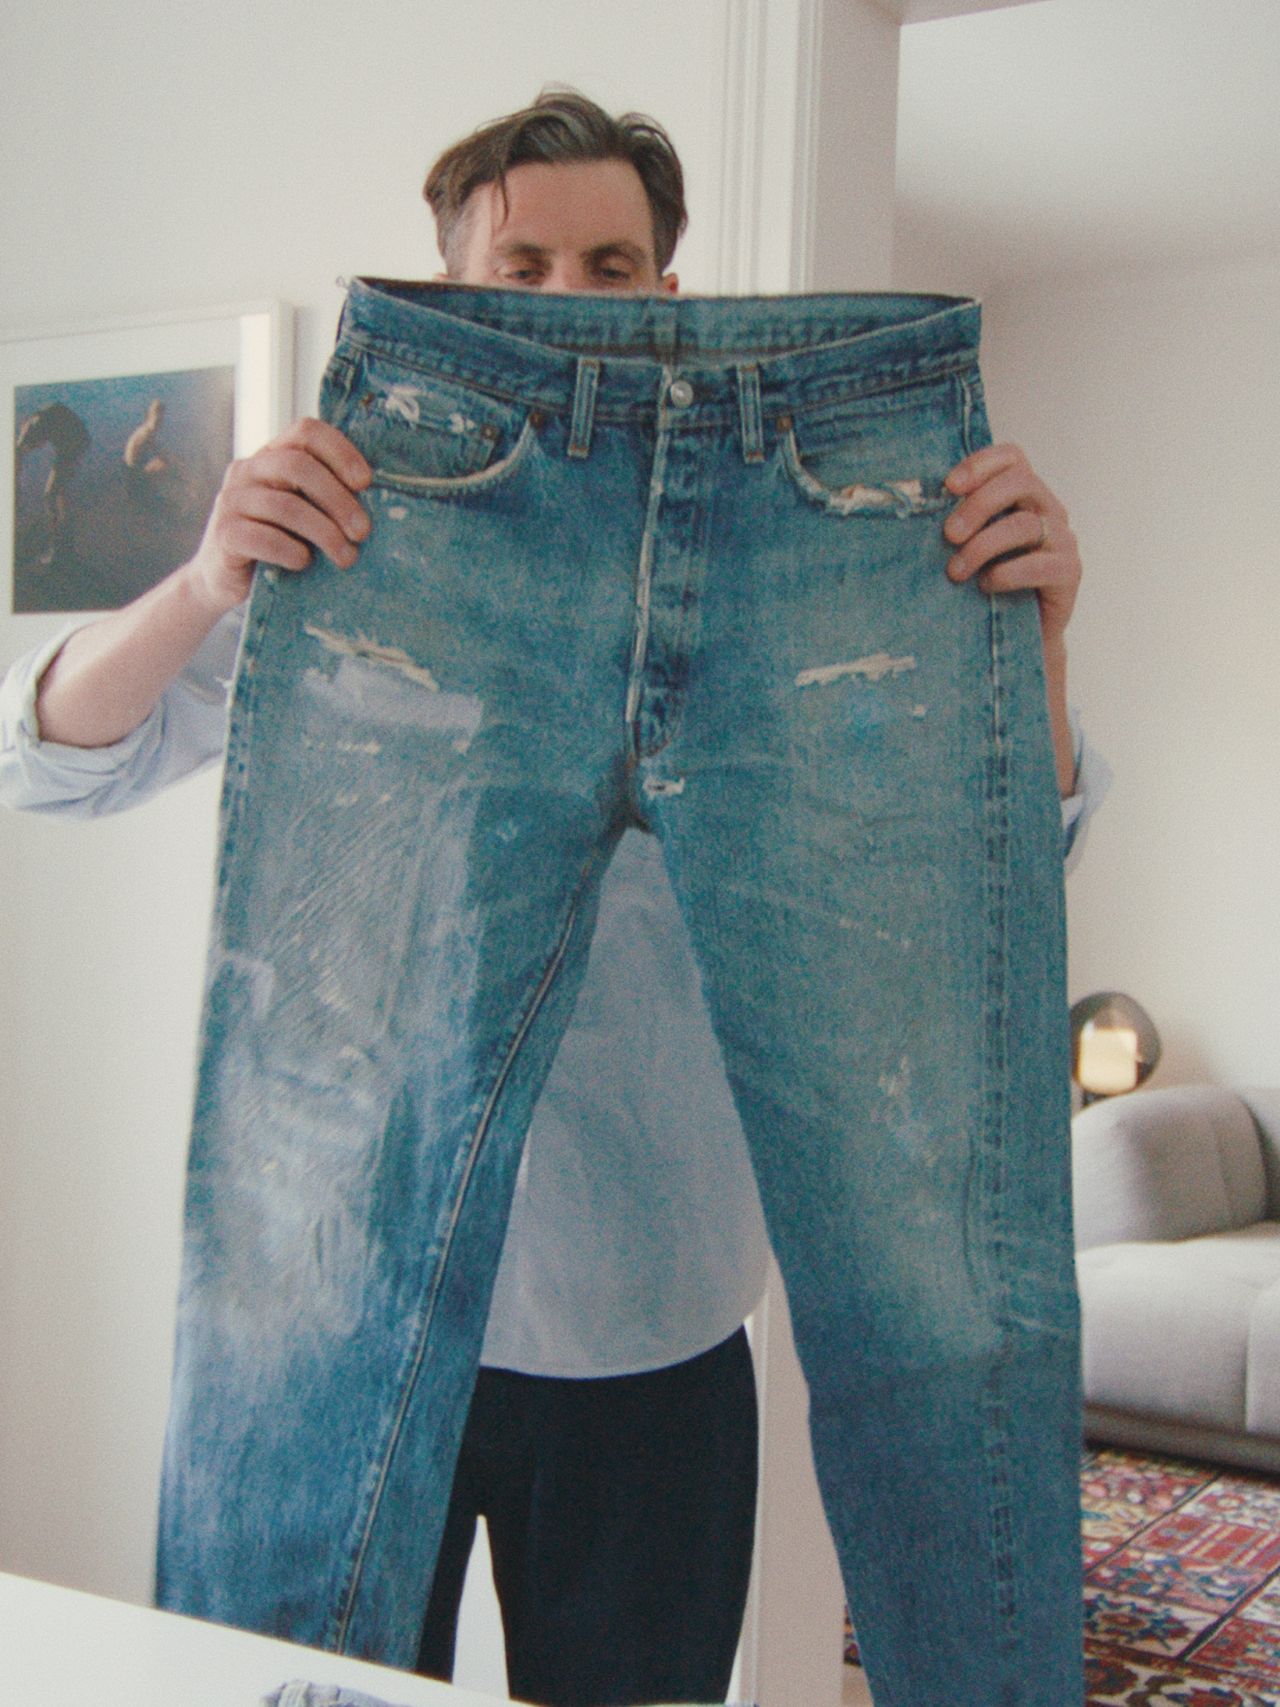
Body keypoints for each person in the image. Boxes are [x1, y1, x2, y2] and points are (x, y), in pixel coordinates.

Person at [0, 90, 1104, 1707]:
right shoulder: (371, 535)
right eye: (527, 263)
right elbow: (48, 765)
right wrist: (203, 576)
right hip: (364, 1329)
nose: (574, 296)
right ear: (457, 286)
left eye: (610, 260)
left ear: (668, 291)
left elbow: (981, 890)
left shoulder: (786, 564)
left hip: (656, 1340)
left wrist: (1027, 651)